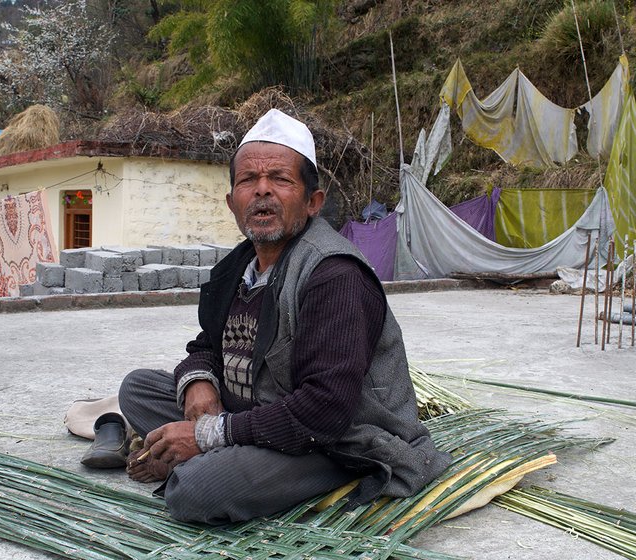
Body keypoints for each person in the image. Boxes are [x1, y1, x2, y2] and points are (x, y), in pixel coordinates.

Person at [90, 109, 451, 524]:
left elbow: (325, 410)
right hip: (256, 415)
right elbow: (206, 346)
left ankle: (210, 464)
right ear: (232, 203)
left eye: (280, 179)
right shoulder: (239, 266)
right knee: (137, 388)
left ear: (313, 202)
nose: (262, 191)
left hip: (338, 441)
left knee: (194, 491)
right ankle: (221, 454)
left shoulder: (334, 275)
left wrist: (209, 435)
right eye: (248, 180)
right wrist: (199, 382)